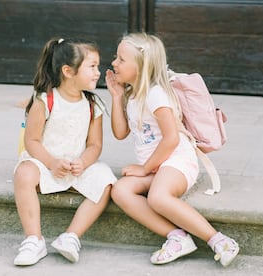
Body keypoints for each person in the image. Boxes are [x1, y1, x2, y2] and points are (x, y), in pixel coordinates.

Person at [105, 33, 239, 267]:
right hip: (157, 165)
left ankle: (219, 241)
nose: (114, 63)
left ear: (141, 66)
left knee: (157, 197)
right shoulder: (132, 95)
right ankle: (177, 237)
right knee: (120, 190)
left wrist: (144, 168)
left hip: (176, 160)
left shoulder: (156, 94)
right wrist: (116, 97)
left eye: (121, 59)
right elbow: (119, 133)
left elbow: (171, 139)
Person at [13, 37, 116, 266]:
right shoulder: (45, 100)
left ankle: (71, 236)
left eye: (97, 66)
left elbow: (95, 145)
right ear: (68, 71)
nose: (98, 72)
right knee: (24, 173)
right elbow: (32, 140)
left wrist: (84, 161)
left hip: (77, 166)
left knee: (106, 180)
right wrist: (51, 162)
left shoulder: (93, 104)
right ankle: (34, 240)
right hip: (45, 163)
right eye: (92, 66)